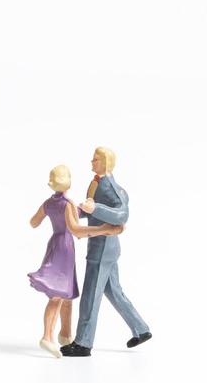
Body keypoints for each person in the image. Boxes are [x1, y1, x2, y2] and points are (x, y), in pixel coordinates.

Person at [60, 147, 152, 357]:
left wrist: (95, 209)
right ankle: (141, 329)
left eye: (96, 159)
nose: (92, 162)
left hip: (102, 248)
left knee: (91, 295)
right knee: (114, 291)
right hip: (104, 247)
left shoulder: (111, 187)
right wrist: (78, 211)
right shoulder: (96, 183)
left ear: (105, 163)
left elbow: (121, 215)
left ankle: (83, 343)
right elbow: (91, 209)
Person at [27, 164, 122, 357]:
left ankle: (65, 334)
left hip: (55, 243)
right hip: (64, 246)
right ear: (68, 182)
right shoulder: (67, 203)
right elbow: (76, 230)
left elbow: (33, 222)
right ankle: (47, 337)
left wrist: (77, 211)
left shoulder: (49, 203)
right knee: (57, 295)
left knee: (67, 294)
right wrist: (105, 229)